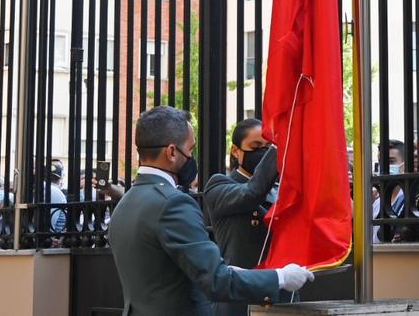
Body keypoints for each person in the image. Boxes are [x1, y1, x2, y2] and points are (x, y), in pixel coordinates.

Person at [108, 106, 311, 314]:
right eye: (190, 149)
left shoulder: (125, 204)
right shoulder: (173, 204)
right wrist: (281, 277)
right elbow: (215, 279)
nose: (191, 157)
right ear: (171, 152)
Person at [203, 118, 282, 315]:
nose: (263, 153)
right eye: (256, 147)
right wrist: (278, 147)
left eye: (267, 147)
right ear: (236, 151)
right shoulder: (220, 185)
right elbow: (251, 194)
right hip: (240, 298)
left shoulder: (279, 189)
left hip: (280, 293)